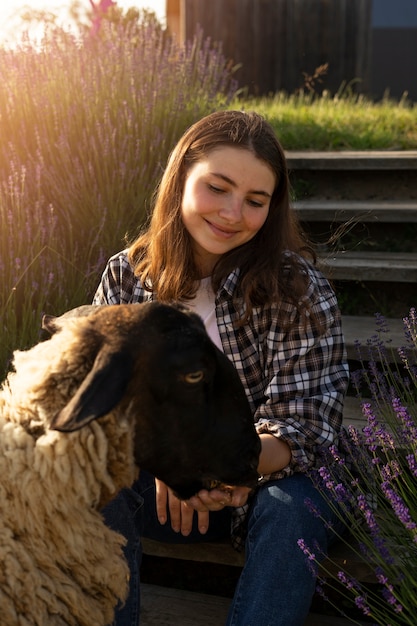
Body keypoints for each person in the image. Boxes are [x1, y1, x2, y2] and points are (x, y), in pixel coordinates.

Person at [93, 110, 349, 625]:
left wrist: (223, 464)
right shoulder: (128, 276)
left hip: (266, 480)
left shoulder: (297, 290)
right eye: (218, 187)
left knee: (292, 507)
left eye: (256, 201)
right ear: (180, 180)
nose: (233, 212)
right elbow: (103, 400)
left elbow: (308, 426)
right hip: (162, 494)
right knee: (90, 479)